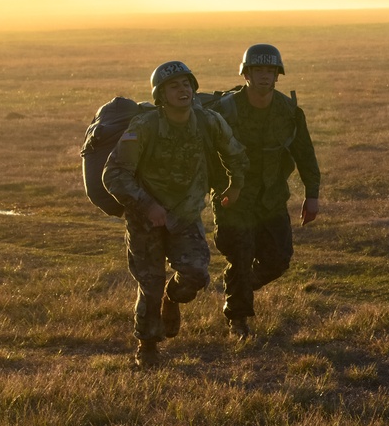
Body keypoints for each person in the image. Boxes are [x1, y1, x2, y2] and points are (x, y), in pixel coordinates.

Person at [103, 61, 248, 367]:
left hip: (185, 213)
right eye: (174, 86)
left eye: (186, 85)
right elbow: (114, 175)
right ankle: (147, 345)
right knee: (150, 283)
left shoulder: (208, 120)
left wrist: (235, 186)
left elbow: (235, 153)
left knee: (196, 274)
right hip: (145, 219)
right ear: (160, 95)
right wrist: (148, 206)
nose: (183, 91)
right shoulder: (145, 127)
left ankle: (173, 299)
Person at [210, 43, 321, 340]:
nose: (264, 76)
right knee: (241, 254)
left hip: (271, 198)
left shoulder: (289, 111)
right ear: (246, 74)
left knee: (278, 259)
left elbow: (305, 154)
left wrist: (313, 194)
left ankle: (238, 286)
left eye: (270, 70)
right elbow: (208, 155)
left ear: (277, 75)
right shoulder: (226, 110)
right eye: (258, 70)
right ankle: (238, 319)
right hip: (234, 198)